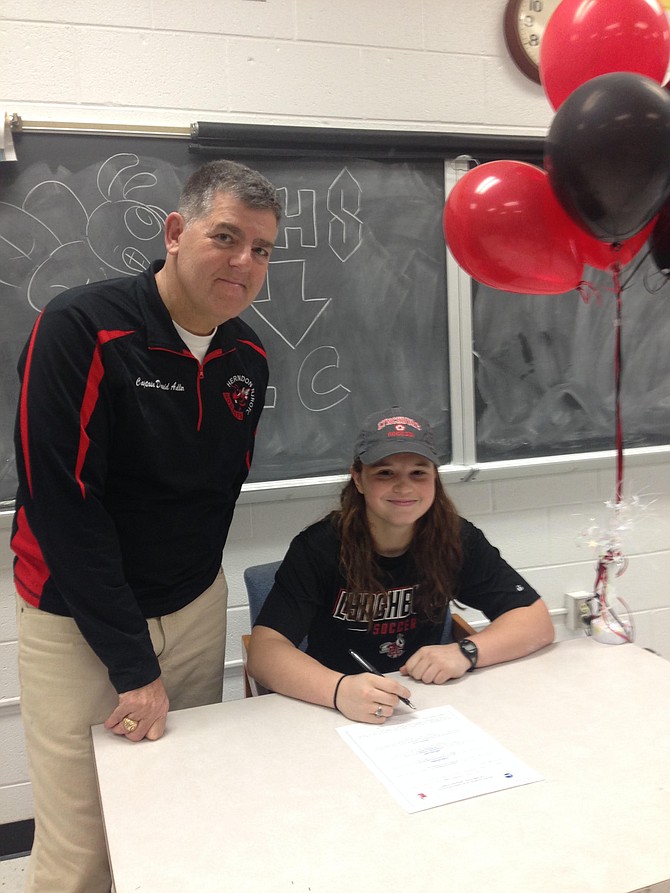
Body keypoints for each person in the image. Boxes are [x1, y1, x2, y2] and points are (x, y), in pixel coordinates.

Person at [11, 159, 281, 893]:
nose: (243, 262)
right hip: (78, 624)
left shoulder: (247, 359)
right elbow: (62, 507)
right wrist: (134, 665)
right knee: (83, 853)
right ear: (174, 231)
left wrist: (181, 625)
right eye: (226, 237)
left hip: (191, 610)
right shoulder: (80, 328)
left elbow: (217, 494)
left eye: (261, 249)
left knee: (177, 826)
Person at [247, 406, 555, 723]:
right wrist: (338, 690)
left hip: (425, 699)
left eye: (418, 472)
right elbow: (264, 652)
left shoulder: (456, 538)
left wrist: (466, 652)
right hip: (334, 705)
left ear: (435, 477)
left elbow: (536, 622)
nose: (404, 487)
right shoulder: (319, 547)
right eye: (385, 473)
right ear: (359, 479)